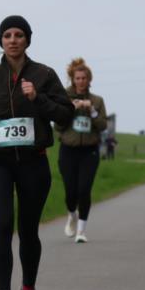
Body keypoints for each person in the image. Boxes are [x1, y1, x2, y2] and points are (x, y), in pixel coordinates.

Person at [0, 16, 74, 290]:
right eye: (7, 35)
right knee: (3, 223)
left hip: (33, 161)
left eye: (18, 35)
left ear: (27, 40)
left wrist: (37, 98)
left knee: (28, 230)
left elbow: (65, 115)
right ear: (0, 41)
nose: (13, 40)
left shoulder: (44, 75)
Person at [55, 58, 108, 244]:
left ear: (89, 79)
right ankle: (72, 214)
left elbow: (103, 126)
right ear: (73, 79)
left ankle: (81, 231)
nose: (81, 81)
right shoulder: (63, 97)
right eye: (77, 78)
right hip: (68, 150)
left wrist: (91, 110)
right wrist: (71, 109)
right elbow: (58, 126)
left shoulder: (97, 100)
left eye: (84, 78)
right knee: (71, 192)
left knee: (84, 190)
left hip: (89, 151)